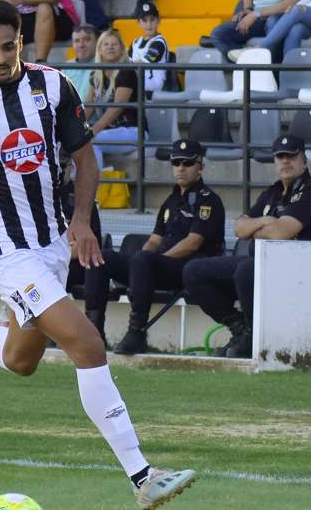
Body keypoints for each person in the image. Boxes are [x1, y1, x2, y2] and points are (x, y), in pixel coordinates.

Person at [0, 0, 197, 510]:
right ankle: (143, 476)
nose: (1, 57)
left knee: (21, 359)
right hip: (5, 253)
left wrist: (80, 219)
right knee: (87, 343)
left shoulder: (54, 85)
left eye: (9, 46)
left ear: (21, 41)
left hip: (52, 243)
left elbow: (85, 156)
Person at [182, 134, 311, 359]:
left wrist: (263, 229)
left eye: (291, 156)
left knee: (248, 270)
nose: (285, 161)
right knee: (195, 271)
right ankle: (239, 328)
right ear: (274, 163)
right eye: (280, 157)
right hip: (272, 265)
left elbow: (279, 232)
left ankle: (254, 337)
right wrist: (267, 222)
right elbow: (239, 228)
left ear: (304, 160)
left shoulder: (310, 193)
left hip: (304, 271)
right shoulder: (273, 193)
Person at [83, 138, 226, 355]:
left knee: (144, 260)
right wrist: (138, 264)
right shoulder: (171, 200)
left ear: (201, 167)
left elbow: (193, 243)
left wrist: (155, 261)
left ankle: (137, 332)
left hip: (188, 270)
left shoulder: (209, 201)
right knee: (101, 258)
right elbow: (155, 240)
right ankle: (93, 333)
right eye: (176, 162)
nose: (181, 168)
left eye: (188, 163)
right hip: (159, 266)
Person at [84, 29, 144, 172]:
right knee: (71, 141)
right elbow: (89, 107)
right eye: (106, 44)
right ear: (100, 50)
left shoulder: (127, 71)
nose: (110, 47)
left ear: (122, 49)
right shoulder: (95, 74)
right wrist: (73, 127)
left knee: (92, 142)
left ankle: (92, 192)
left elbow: (117, 108)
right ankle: (73, 190)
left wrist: (94, 130)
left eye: (115, 44)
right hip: (109, 130)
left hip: (134, 130)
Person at [209, 0, 303, 62]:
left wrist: (255, 14)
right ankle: (248, 72)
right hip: (257, 17)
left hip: (281, 16)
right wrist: (248, 9)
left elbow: (289, 4)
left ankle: (275, 77)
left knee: (273, 22)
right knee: (219, 35)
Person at [0, 0, 79, 62]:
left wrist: (19, 0)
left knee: (44, 7)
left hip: (58, 18)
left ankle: (40, 63)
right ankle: (7, 65)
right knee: (1, 13)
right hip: (24, 21)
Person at [127, 1, 168, 95]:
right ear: (138, 23)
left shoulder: (159, 43)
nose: (149, 24)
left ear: (159, 20)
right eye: (144, 20)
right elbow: (127, 62)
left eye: (152, 19)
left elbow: (143, 63)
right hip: (136, 87)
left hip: (152, 90)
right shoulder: (135, 43)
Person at [64, 22, 95, 100]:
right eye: (77, 41)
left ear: (98, 41)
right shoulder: (66, 67)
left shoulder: (104, 65)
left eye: (87, 40)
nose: (81, 45)